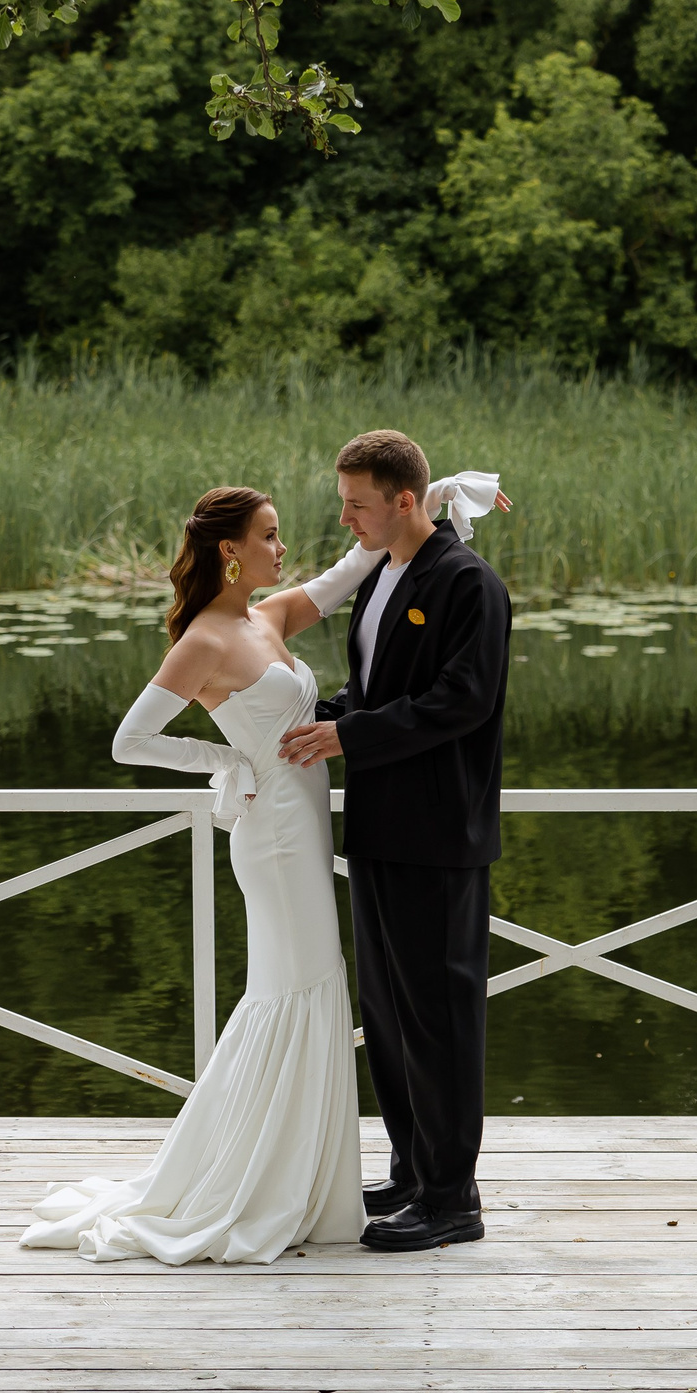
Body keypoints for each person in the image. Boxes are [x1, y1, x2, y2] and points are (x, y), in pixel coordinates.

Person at [18, 463, 504, 1265]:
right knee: (301, 988)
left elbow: (355, 570)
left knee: (316, 988)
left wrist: (437, 497)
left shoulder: (268, 615)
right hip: (274, 832)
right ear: (231, 552)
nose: (286, 545)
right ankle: (272, 1176)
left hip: (309, 826)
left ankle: (316, 1174)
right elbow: (130, 739)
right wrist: (228, 763)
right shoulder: (207, 636)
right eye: (270, 536)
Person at [277, 429, 514, 1254]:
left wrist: (352, 737)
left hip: (441, 831)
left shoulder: (468, 583)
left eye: (357, 505)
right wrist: (326, 719)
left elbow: (463, 700)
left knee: (440, 1016)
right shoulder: (387, 578)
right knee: (388, 1012)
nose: (345, 519)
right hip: (379, 824)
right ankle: (415, 1171)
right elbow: (375, 687)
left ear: (405, 501)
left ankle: (453, 1199)